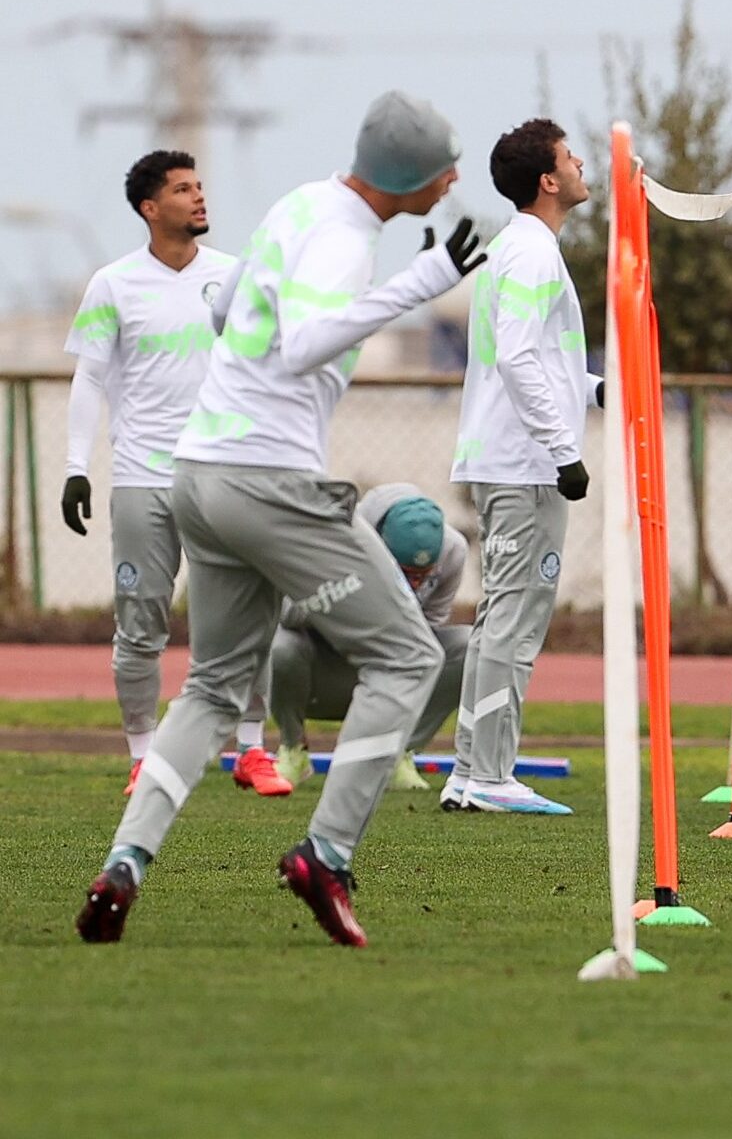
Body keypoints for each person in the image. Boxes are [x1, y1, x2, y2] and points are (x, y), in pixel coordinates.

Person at [76, 90, 489, 949]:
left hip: (199, 473)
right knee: (410, 654)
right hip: (267, 483)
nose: (454, 179)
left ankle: (127, 863)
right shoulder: (342, 240)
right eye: (446, 165)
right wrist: (425, 280)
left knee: (211, 686)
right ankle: (325, 855)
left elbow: (228, 313)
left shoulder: (303, 203)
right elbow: (301, 344)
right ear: (410, 172)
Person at [61, 151, 289, 798]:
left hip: (225, 477)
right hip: (142, 479)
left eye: (200, 186)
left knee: (246, 621)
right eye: (182, 189)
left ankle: (251, 750)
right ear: (149, 207)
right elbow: (91, 377)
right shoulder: (113, 283)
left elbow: (265, 369)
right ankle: (142, 756)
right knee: (141, 624)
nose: (198, 198)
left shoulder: (234, 278)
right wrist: (77, 467)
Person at [443, 118, 596, 816]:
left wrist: (598, 392)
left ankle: (469, 771)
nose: (582, 165)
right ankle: (490, 776)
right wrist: (565, 453)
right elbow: (517, 356)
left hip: (506, 456)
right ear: (547, 179)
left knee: (499, 616)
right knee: (514, 618)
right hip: (524, 464)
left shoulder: (518, 250)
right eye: (570, 158)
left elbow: (543, 361)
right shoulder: (532, 255)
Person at [272, 485, 470, 794]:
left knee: (468, 646)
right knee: (281, 647)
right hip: (326, 667)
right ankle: (293, 748)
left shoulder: (453, 550)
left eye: (423, 576)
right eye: (405, 574)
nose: (415, 585)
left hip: (391, 666)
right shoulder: (338, 541)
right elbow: (286, 614)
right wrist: (342, 593)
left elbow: (427, 629)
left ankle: (398, 751)